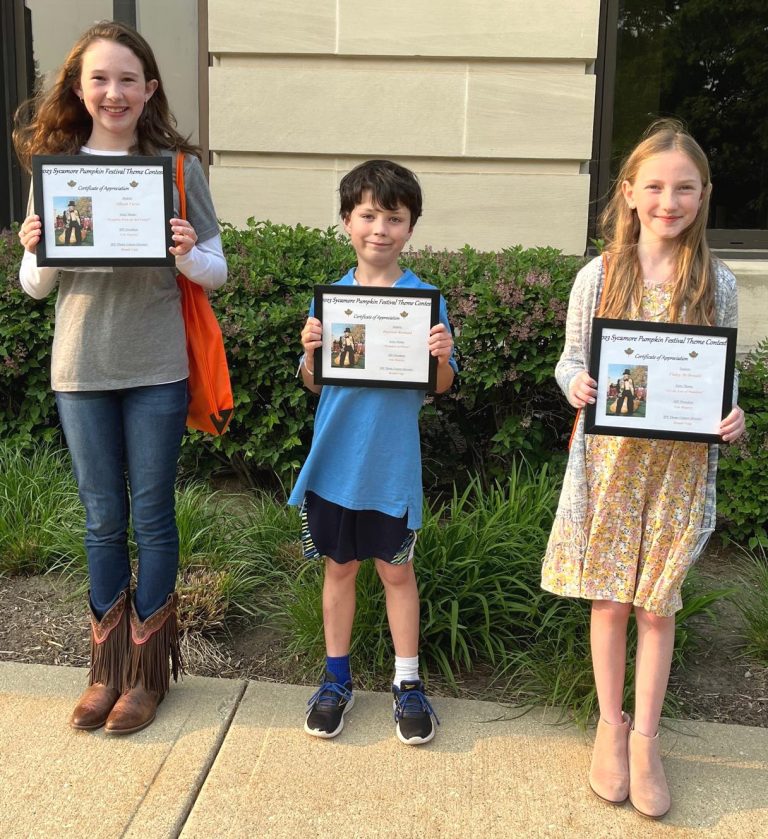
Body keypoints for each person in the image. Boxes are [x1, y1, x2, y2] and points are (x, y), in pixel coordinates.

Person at [14, 21, 226, 735]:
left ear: (150, 89)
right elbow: (36, 287)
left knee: (151, 515)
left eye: (128, 79)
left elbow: (218, 272)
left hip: (157, 366)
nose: (114, 91)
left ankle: (145, 677)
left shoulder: (175, 167)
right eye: (100, 78)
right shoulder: (58, 167)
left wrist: (188, 252)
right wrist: (35, 249)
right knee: (102, 518)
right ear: (79, 87)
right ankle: (104, 673)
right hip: (81, 368)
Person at [541, 119, 744, 819]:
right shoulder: (598, 275)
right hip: (611, 463)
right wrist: (577, 385)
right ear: (629, 193)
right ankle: (610, 725)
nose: (669, 200)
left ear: (704, 195)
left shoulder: (716, 281)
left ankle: (648, 739)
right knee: (610, 599)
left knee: (658, 605)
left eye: (684, 188)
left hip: (681, 468)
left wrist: (732, 415)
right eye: (654, 186)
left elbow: (722, 378)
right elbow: (570, 360)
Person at [289, 159, 457, 745]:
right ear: (346, 221)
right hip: (335, 463)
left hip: (391, 467)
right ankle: (336, 680)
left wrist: (440, 353)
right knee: (340, 568)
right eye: (367, 215)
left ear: (410, 228)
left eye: (394, 217)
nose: (379, 228)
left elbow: (440, 388)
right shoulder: (332, 302)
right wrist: (312, 350)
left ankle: (407, 683)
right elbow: (314, 384)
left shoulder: (425, 301)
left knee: (397, 571)